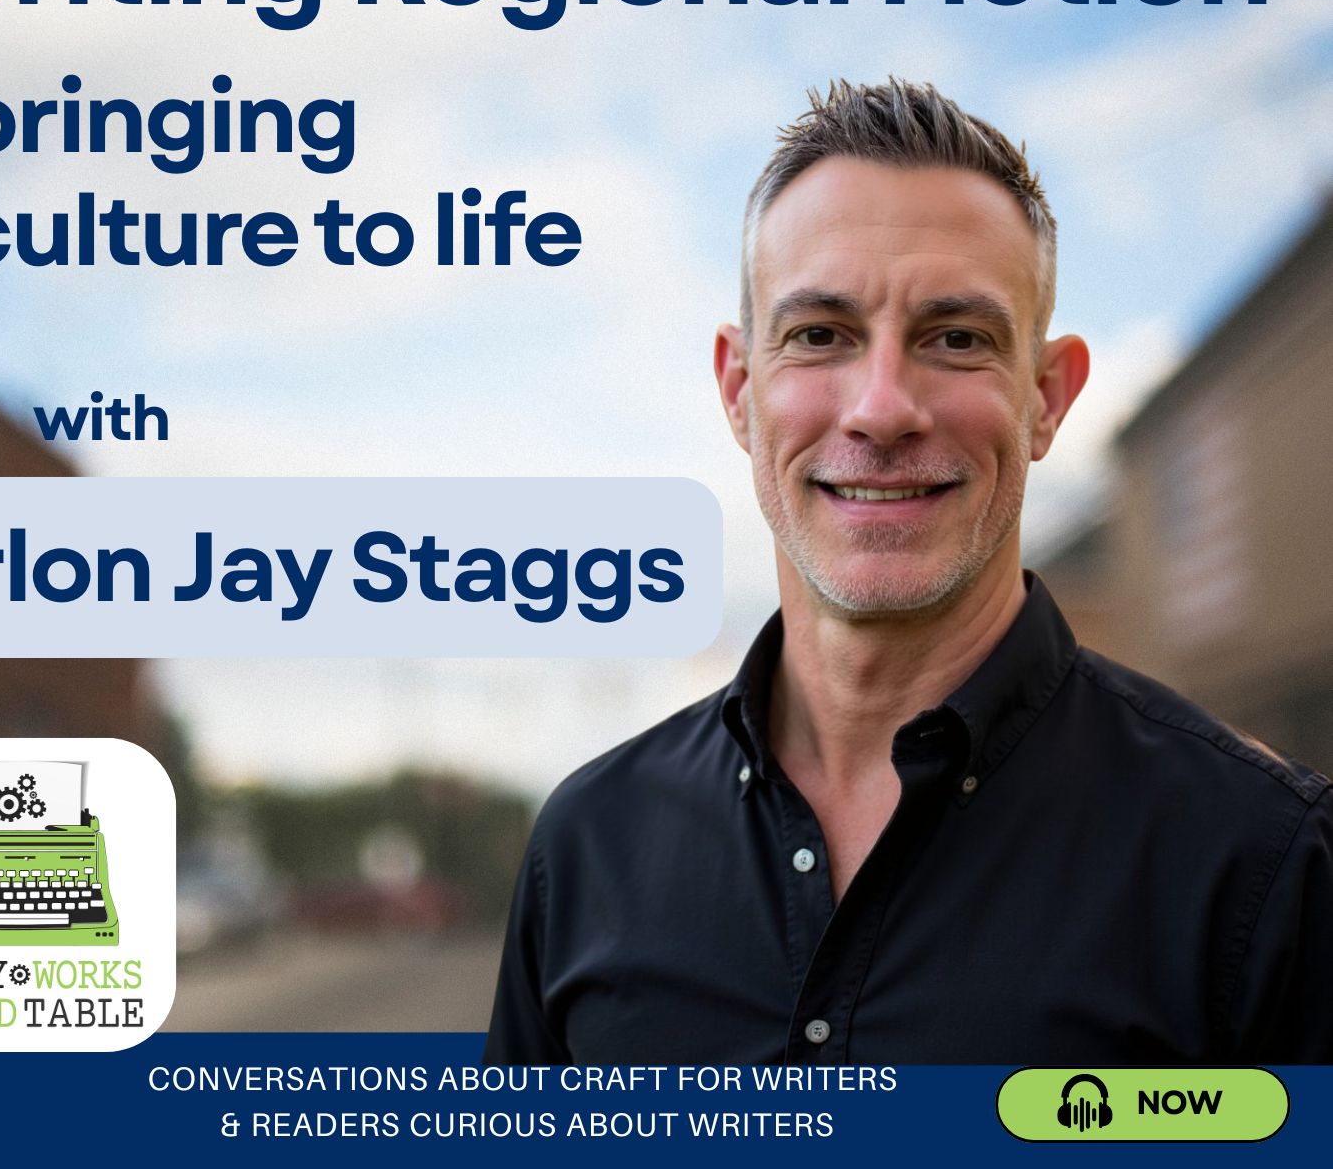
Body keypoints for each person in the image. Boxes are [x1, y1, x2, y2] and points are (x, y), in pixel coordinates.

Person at [484, 78, 1333, 1065]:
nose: (882, 409)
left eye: (956, 338)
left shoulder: (1263, 864)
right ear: (739, 389)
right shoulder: (589, 846)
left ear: (1048, 399)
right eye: (820, 335)